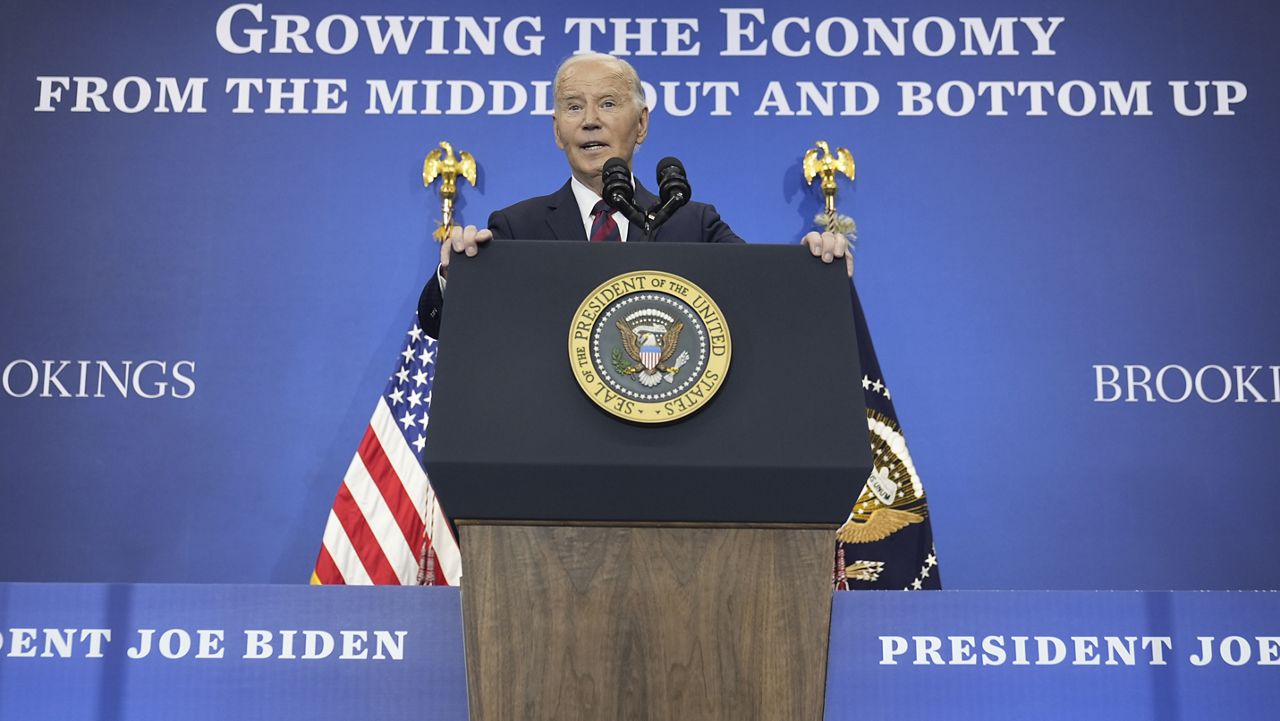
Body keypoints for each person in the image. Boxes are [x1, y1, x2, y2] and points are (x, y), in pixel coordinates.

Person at [418, 53, 850, 338]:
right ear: (556, 130)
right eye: (573, 106)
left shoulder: (692, 224)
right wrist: (455, 278)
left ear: (641, 124)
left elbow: (762, 304)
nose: (590, 121)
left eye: (607, 104)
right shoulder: (517, 228)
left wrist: (815, 273)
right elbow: (439, 324)